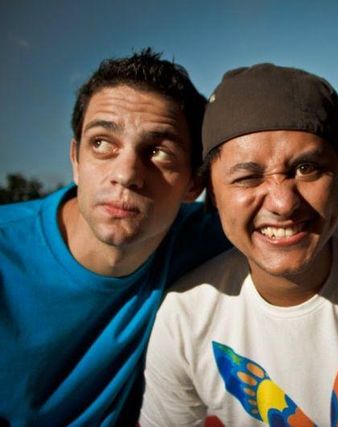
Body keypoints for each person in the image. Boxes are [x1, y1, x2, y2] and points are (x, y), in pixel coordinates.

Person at [139, 63, 338, 426]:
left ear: (337, 174)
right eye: (248, 177)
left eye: (307, 168)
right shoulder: (184, 318)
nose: (283, 203)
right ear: (213, 194)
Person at [0, 48, 229, 426]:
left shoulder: (211, 238)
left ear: (195, 183)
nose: (126, 174)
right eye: (102, 143)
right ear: (75, 159)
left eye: (159, 152)